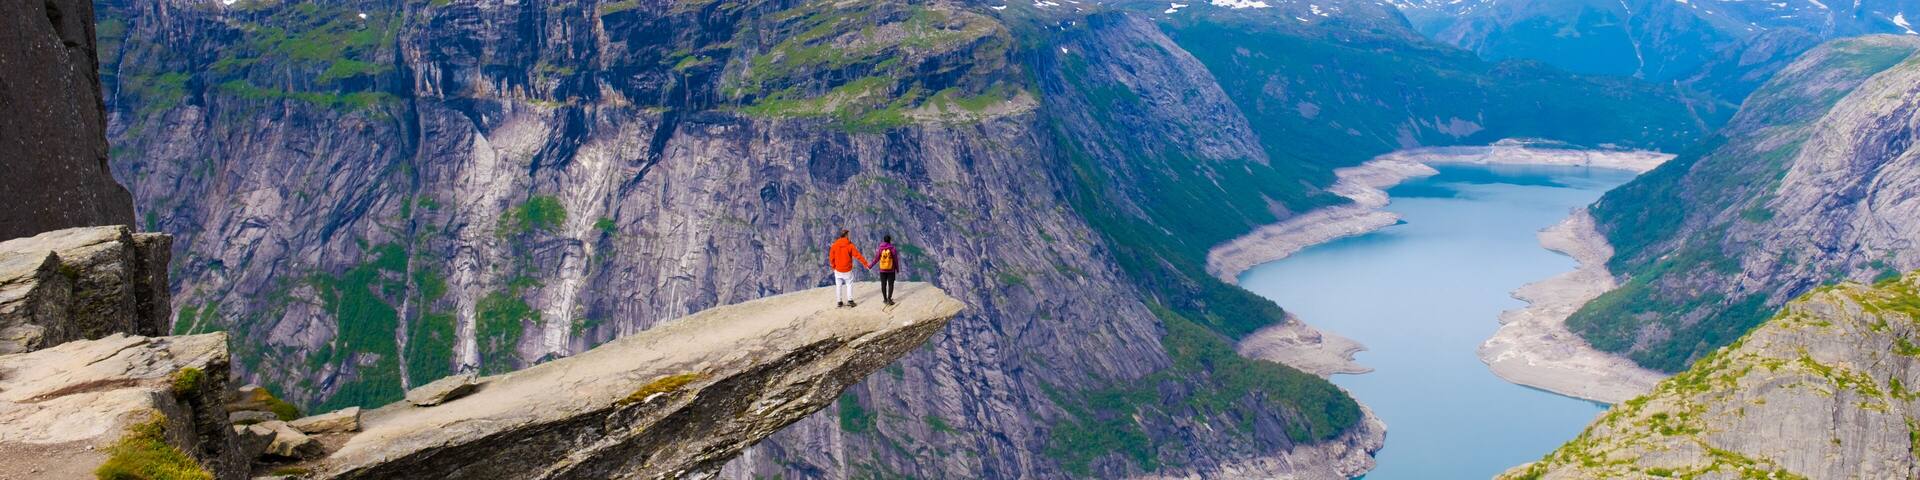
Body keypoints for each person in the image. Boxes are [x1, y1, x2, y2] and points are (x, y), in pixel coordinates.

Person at [828, 229, 870, 308]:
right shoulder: (850, 245)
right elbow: (858, 255)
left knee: (838, 285)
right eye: (848, 235)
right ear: (846, 235)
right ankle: (850, 300)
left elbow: (831, 258)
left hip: (838, 270)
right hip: (847, 270)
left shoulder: (834, 245)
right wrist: (866, 264)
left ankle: (839, 301)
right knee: (849, 284)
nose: (849, 236)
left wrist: (834, 267)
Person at [873, 235, 902, 306]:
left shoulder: (880, 248)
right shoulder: (893, 249)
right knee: (891, 284)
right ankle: (889, 299)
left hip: (882, 270)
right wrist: (897, 269)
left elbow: (876, 259)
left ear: (884, 240)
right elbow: (895, 260)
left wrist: (870, 265)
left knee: (883, 284)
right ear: (890, 240)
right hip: (891, 270)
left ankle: (885, 299)